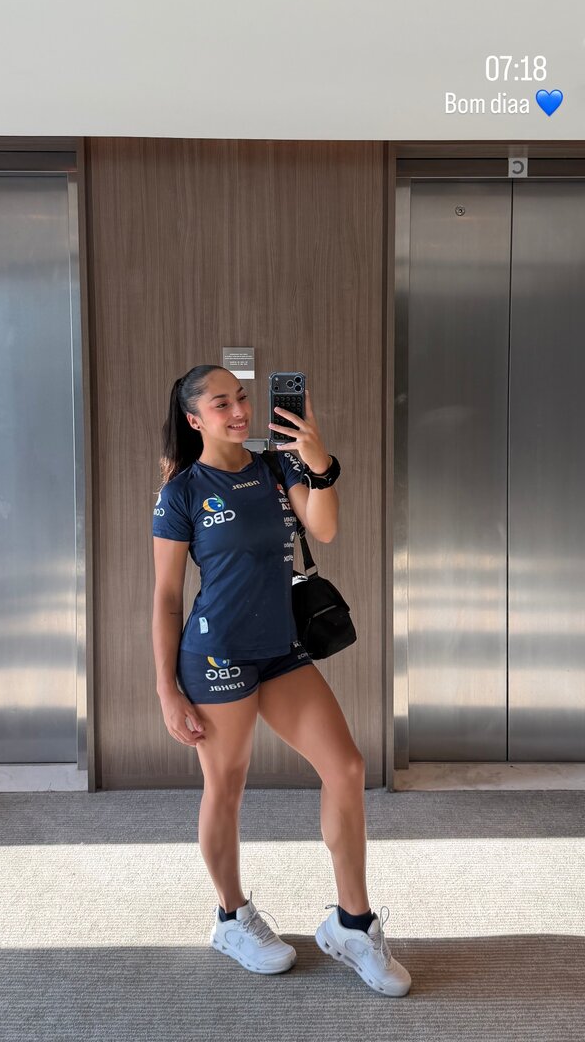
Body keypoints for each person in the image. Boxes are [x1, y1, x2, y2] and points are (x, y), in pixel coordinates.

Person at [151, 364, 411, 997]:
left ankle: (352, 924)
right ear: (194, 419)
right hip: (217, 655)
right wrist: (166, 688)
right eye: (221, 404)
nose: (239, 410)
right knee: (227, 786)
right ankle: (231, 917)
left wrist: (317, 461)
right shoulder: (182, 493)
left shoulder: (277, 465)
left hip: (281, 649)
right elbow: (165, 597)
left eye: (241, 397)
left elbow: (324, 528)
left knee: (346, 767)